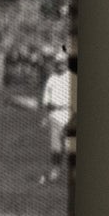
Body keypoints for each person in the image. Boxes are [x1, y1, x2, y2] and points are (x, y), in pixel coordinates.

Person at [40, 52, 75, 183]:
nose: (60, 65)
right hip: (55, 114)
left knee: (69, 146)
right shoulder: (52, 78)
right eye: (58, 63)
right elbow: (46, 99)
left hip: (70, 114)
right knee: (56, 147)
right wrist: (45, 117)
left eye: (62, 63)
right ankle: (55, 171)